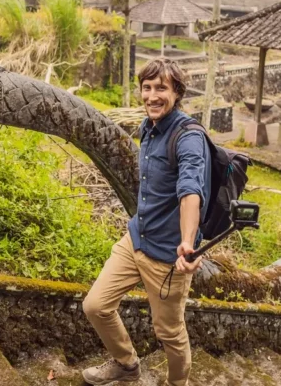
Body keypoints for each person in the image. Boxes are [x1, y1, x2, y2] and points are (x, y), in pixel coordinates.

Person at [81, 58, 211, 386]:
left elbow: (190, 190)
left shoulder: (188, 137)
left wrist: (187, 242)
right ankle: (126, 365)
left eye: (161, 88)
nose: (152, 96)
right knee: (95, 306)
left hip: (168, 256)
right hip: (136, 239)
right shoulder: (148, 127)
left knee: (169, 332)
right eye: (147, 87)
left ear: (177, 92)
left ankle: (177, 383)